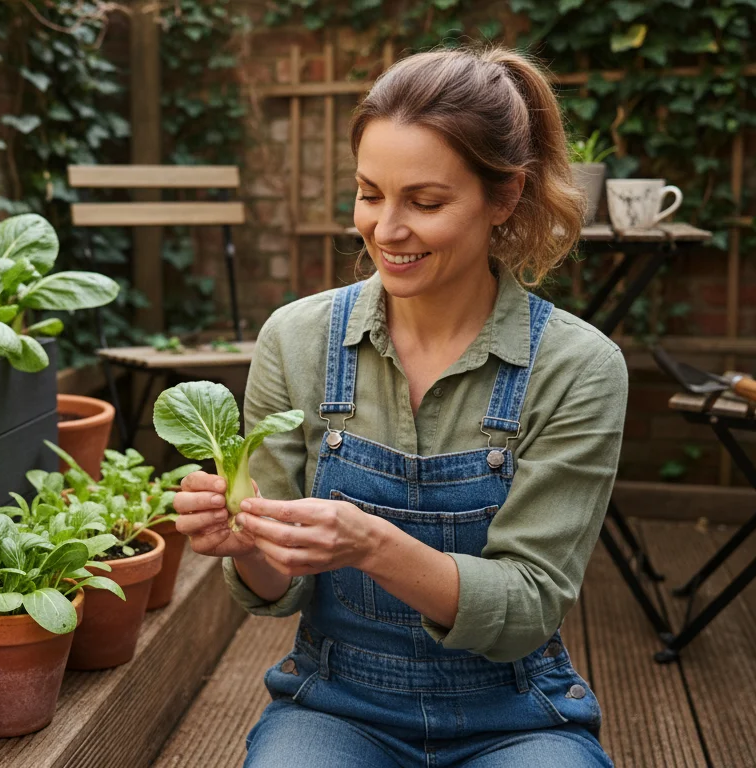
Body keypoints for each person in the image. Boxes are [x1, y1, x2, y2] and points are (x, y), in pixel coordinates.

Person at [173, 44, 626, 767]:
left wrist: (372, 544)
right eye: (369, 193)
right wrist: (247, 541)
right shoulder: (296, 339)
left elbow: (528, 607)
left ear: (503, 197)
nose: (386, 229)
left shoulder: (578, 368)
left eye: (426, 201)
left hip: (514, 711)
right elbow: (279, 592)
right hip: (336, 703)